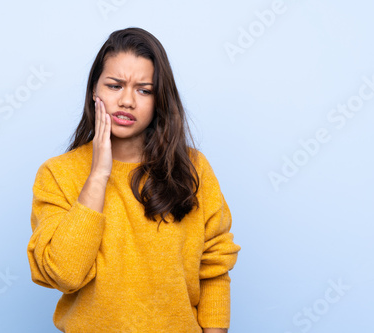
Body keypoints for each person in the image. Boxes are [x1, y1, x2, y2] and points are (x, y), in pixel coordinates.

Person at [27, 27, 241, 333]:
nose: (127, 100)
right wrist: (99, 174)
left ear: (159, 99)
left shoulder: (193, 168)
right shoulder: (58, 174)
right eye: (115, 86)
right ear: (94, 91)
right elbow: (65, 274)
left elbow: (215, 268)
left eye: (144, 90)